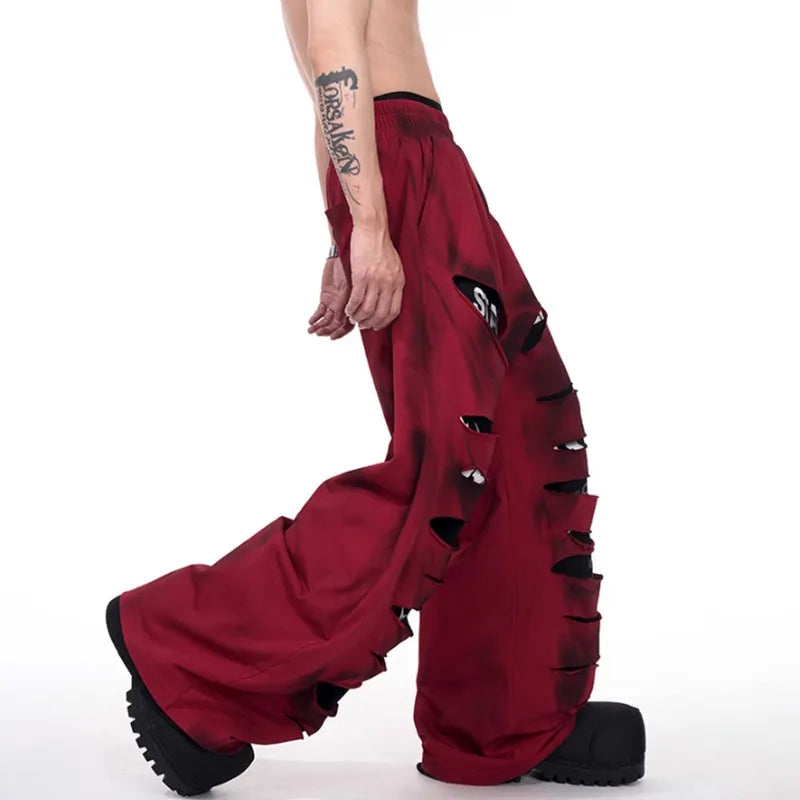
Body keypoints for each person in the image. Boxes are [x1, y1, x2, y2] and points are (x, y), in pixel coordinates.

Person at [106, 0, 647, 794]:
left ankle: (501, 721)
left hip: (421, 161)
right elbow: (332, 55)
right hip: (403, 162)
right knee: (445, 463)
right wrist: (366, 225)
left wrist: (349, 230)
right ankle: (189, 652)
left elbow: (331, 69)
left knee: (521, 432)